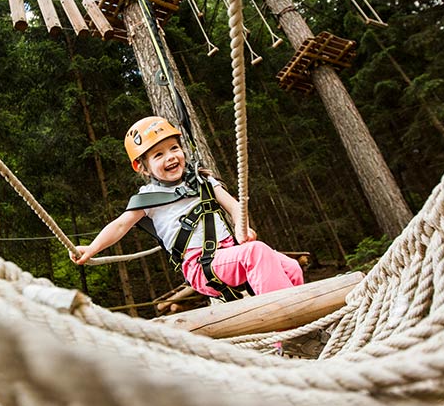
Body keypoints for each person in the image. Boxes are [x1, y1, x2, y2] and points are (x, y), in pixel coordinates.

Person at [72, 116, 303, 300]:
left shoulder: (202, 181)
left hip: (230, 252)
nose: (170, 157)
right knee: (257, 252)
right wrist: (92, 248)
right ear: (142, 167)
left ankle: (299, 325)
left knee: (291, 268)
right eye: (159, 154)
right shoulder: (148, 199)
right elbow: (120, 225)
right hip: (201, 265)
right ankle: (288, 326)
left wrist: (242, 228)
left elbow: (233, 205)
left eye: (174, 148)